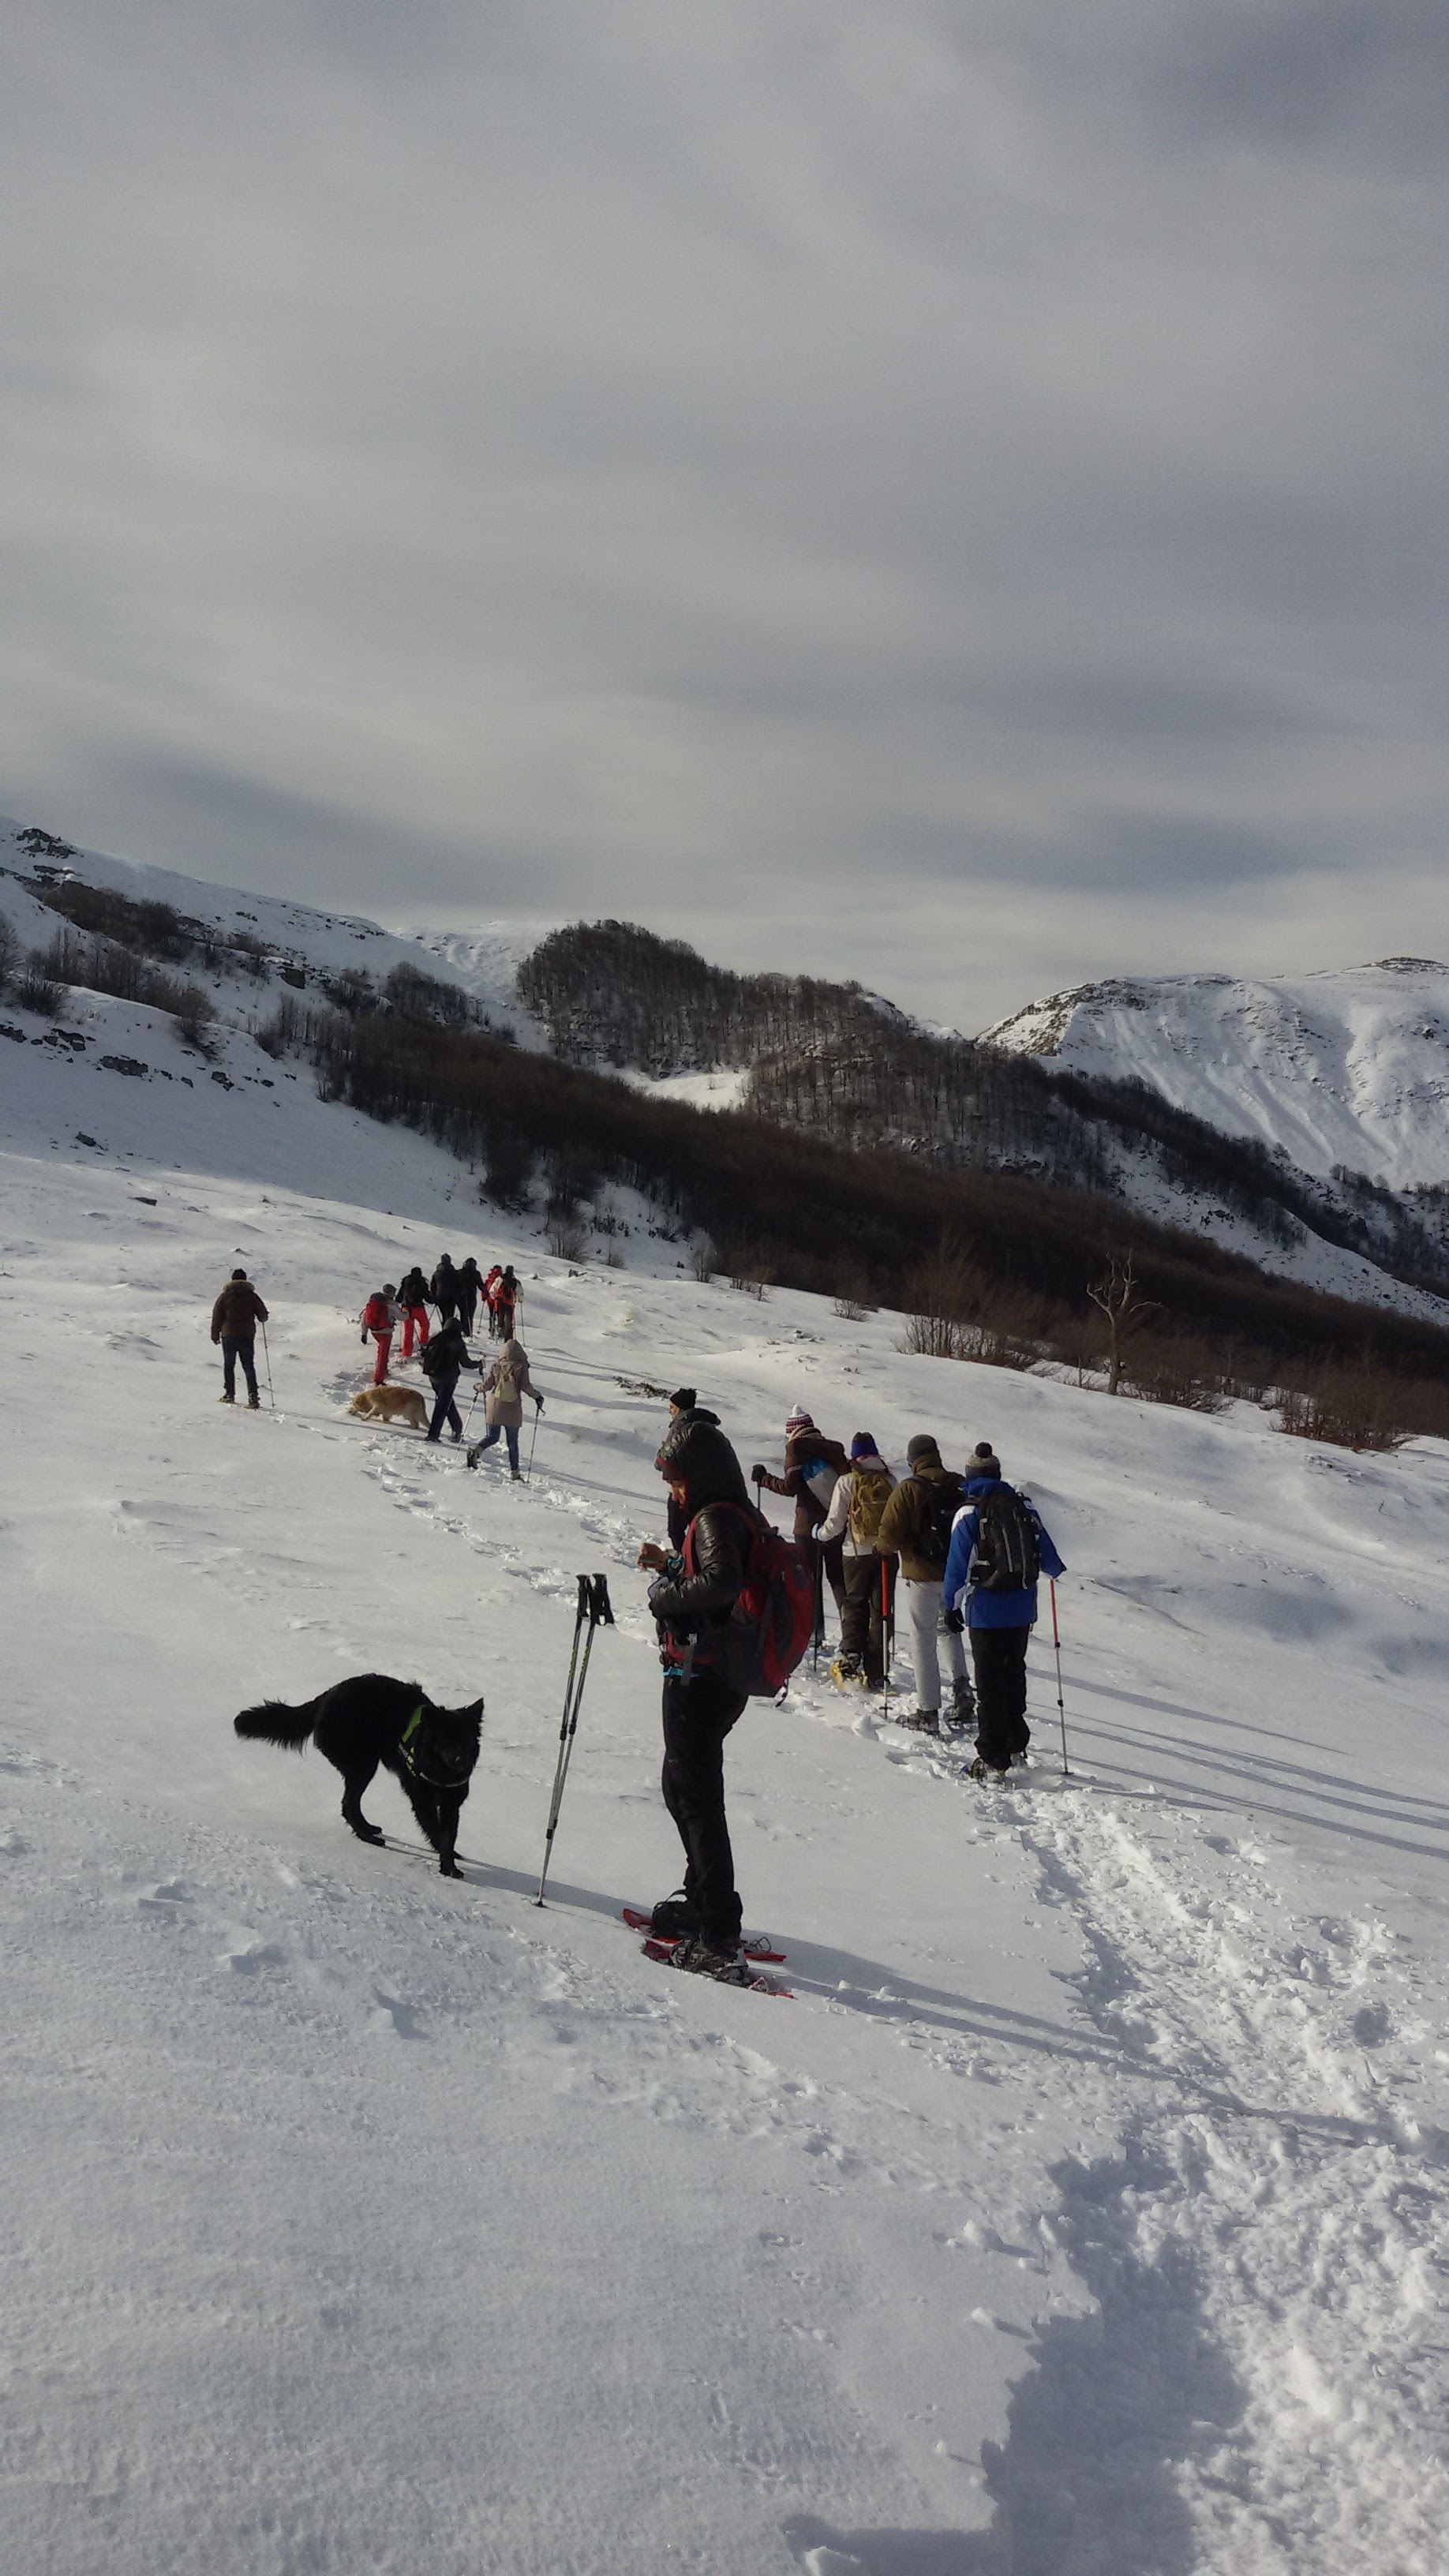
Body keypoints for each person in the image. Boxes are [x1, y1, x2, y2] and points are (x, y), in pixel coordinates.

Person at [636, 1412, 758, 1980]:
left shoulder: (714, 1518)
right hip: (713, 1674)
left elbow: (722, 1582)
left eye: (678, 1480)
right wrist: (670, 1561)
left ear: (703, 1475)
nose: (674, 1489)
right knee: (680, 1786)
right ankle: (703, 1902)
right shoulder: (721, 1514)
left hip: (702, 1677)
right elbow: (711, 1576)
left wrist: (665, 1596)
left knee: (698, 1801)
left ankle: (718, 1931)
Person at [942, 1443, 1065, 1780]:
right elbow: (1049, 1557)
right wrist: (1053, 1571)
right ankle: (1016, 1744)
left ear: (970, 1477)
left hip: (986, 1610)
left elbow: (957, 1566)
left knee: (989, 1681)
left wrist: (950, 1604)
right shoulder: (1022, 1507)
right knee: (1014, 1674)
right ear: (997, 1474)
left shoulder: (969, 1512)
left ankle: (992, 1757)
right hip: (1022, 1607)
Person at [877, 1435, 975, 1735]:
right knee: (950, 1630)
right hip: (955, 1575)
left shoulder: (909, 1488)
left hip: (920, 1575)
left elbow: (889, 1536)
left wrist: (882, 1548)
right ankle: (962, 1693)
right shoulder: (957, 1485)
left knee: (923, 1639)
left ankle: (928, 1710)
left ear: (913, 1460)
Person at [752, 1409, 849, 1623]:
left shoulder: (796, 1449)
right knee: (837, 1578)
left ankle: (815, 1631)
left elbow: (789, 1487)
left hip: (807, 1526)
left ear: (792, 1431)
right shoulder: (832, 1449)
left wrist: (764, 1479)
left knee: (810, 1580)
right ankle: (850, 1630)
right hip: (836, 1522)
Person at [817, 1433, 896, 1690]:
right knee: (881, 1608)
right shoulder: (891, 1479)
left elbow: (836, 1522)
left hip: (855, 1553)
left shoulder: (848, 1481)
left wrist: (820, 1534)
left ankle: (851, 1658)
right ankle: (877, 1671)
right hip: (886, 1555)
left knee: (854, 1604)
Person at [467, 1335, 541, 1477]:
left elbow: (487, 1386)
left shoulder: (497, 1366)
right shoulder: (521, 1367)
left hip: (495, 1406)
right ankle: (514, 1472)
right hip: (512, 1408)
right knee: (512, 1442)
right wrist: (537, 1396)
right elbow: (526, 1386)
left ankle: (476, 1450)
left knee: (492, 1437)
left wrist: (477, 1387)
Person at [664, 1388, 721, 1547]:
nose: (669, 1411)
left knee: (676, 1530)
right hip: (705, 1489)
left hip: (681, 1488)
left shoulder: (680, 1427)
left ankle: (685, 1564)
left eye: (672, 1407)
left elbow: (665, 1458)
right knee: (698, 1530)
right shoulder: (706, 1426)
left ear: (680, 1409)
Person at [211, 1267, 268, 1407]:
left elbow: (217, 1316)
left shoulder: (225, 1296)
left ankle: (229, 1394)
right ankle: (253, 1397)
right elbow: (263, 1316)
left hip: (228, 1335)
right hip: (246, 1336)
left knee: (229, 1365)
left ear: (232, 1280)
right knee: (248, 1366)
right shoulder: (252, 1296)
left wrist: (215, 1335)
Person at [419, 1313, 473, 1445]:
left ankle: (457, 1427)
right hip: (448, 1379)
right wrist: (478, 1364)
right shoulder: (457, 1342)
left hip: (433, 1377)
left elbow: (425, 1354)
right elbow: (466, 1363)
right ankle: (433, 1435)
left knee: (446, 1402)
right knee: (442, 1405)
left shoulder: (436, 1338)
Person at [360, 1285, 399, 1386]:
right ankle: (379, 1379)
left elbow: (365, 1318)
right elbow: (402, 1317)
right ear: (391, 1293)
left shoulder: (373, 1301)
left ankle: (383, 1371)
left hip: (374, 1331)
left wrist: (364, 1334)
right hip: (385, 1332)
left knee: (382, 1351)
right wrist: (407, 1312)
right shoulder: (390, 1303)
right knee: (383, 1354)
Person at [397, 1264, 432, 1361]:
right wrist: (434, 1300)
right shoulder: (422, 1282)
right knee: (425, 1325)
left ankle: (406, 1352)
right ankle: (423, 1345)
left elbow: (399, 1298)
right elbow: (427, 1297)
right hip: (418, 1308)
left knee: (408, 1330)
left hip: (406, 1309)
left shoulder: (405, 1282)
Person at [430, 1253, 460, 1328]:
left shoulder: (437, 1273)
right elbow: (459, 1284)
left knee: (443, 1314)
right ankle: (448, 1330)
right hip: (451, 1297)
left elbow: (433, 1286)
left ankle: (444, 1328)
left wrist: (434, 1297)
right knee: (449, 1316)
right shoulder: (454, 1272)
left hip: (440, 1297)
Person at [456, 1255, 483, 1338]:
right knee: (470, 1315)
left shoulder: (459, 1272)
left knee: (463, 1314)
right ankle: (468, 1332)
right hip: (471, 1296)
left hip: (460, 1296)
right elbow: (481, 1286)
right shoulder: (476, 1273)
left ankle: (462, 1331)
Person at [493, 1264, 519, 1340]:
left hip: (500, 1302)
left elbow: (493, 1289)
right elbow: (520, 1292)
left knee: (500, 1318)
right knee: (509, 1321)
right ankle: (508, 1338)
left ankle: (500, 1334)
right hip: (510, 1303)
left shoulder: (499, 1278)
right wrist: (520, 1300)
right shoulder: (515, 1281)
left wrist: (494, 1297)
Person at [481, 1265, 504, 1338]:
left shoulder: (490, 1277)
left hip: (490, 1299)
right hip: (499, 1300)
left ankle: (492, 1330)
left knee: (492, 1315)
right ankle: (500, 1331)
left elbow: (485, 1288)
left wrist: (484, 1297)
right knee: (500, 1316)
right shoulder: (501, 1278)